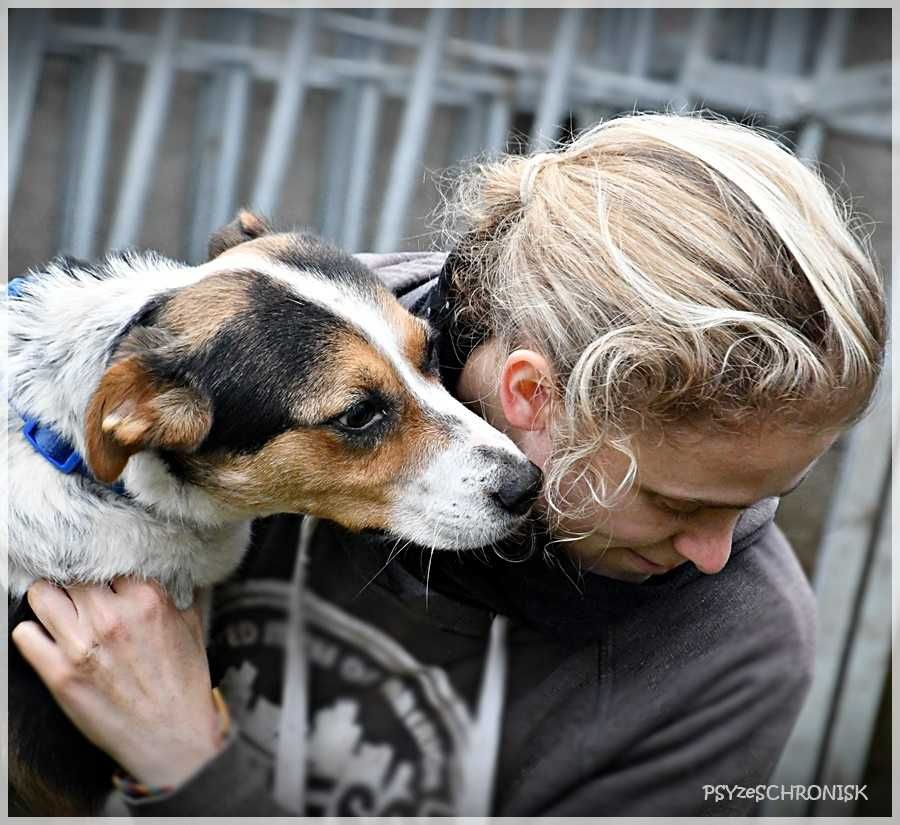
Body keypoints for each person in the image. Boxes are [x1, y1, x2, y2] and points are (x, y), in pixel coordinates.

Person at [13, 113, 886, 816]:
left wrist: (191, 768)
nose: (716, 555)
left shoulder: (736, 651)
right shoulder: (262, 379)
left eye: (767, 496)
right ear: (529, 394)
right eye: (673, 500)